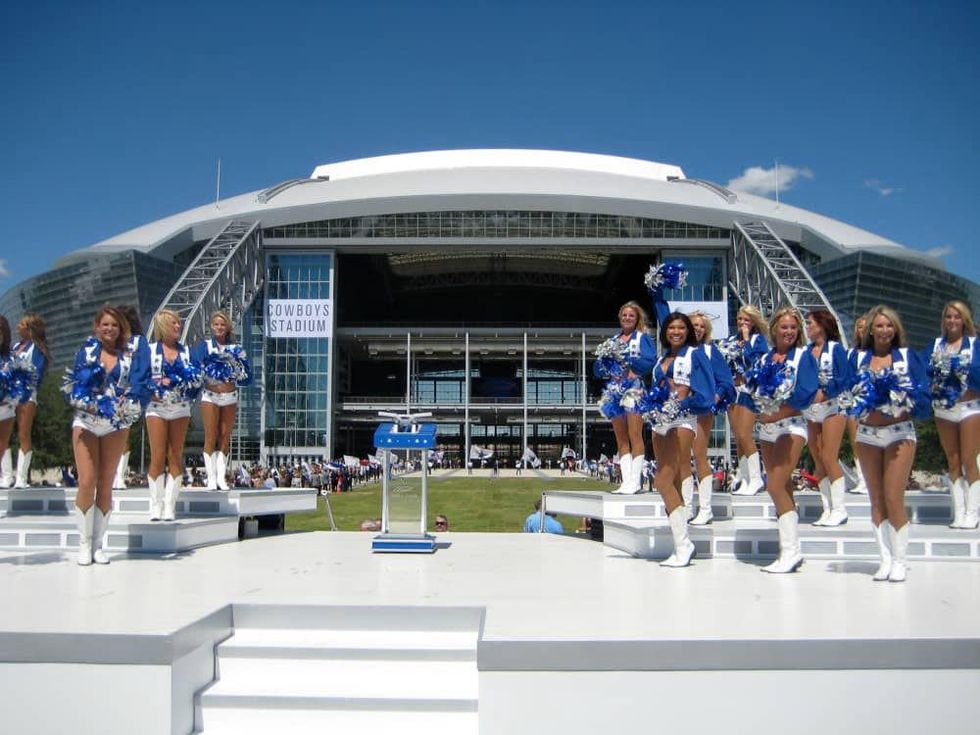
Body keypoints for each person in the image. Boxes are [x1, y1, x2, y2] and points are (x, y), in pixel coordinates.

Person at [845, 305, 930, 582]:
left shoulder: (907, 357)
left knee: (894, 496)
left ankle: (900, 560)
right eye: (879, 326)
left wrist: (904, 402)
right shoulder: (858, 359)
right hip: (868, 434)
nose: (884, 331)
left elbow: (923, 395)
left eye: (889, 325)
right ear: (870, 329)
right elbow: (848, 393)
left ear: (896, 329)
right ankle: (884, 559)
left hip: (899, 432)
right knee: (876, 499)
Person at [64, 307, 150, 565]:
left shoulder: (128, 355)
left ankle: (99, 545)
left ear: (121, 328)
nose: (109, 328)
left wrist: (131, 398)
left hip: (115, 423)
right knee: (87, 481)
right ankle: (83, 543)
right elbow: (75, 385)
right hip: (87, 421)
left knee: (105, 483)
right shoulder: (86, 351)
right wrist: (88, 402)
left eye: (114, 325)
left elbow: (137, 385)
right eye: (105, 324)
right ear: (97, 326)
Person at [748, 307, 818, 573]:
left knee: (774, 485)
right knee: (784, 487)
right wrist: (758, 411)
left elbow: (806, 393)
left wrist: (774, 412)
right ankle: (789, 550)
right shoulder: (765, 358)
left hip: (791, 426)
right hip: (767, 430)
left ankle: (791, 551)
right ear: (774, 329)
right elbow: (753, 391)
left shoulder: (803, 356)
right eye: (784, 327)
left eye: (793, 327)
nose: (789, 332)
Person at [645, 312, 714, 567]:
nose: (676, 331)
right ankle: (680, 545)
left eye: (681, 328)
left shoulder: (695, 355)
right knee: (671, 482)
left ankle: (685, 545)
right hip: (659, 423)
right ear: (665, 332)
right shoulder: (661, 359)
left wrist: (681, 403)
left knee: (661, 480)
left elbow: (706, 394)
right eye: (671, 327)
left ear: (688, 332)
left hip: (682, 421)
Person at [924, 301, 980, 529]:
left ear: (964, 320)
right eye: (948, 316)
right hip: (943, 409)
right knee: (953, 460)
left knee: (969, 458)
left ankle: (973, 512)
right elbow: (923, 373)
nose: (952, 321)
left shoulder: (975, 344)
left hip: (970, 408)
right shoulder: (935, 345)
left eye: (957, 317)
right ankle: (959, 511)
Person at [593, 301, 657, 495]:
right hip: (614, 390)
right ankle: (626, 481)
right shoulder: (612, 340)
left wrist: (632, 368)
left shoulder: (642, 338)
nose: (627, 318)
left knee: (635, 434)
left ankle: (636, 481)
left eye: (631, 315)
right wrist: (604, 366)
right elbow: (599, 367)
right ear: (620, 317)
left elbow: (650, 359)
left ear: (636, 318)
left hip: (634, 389)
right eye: (624, 315)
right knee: (620, 438)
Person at [147, 310, 202, 521]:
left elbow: (196, 380)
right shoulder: (150, 351)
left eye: (178, 324)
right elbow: (140, 377)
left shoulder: (187, 352)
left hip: (180, 408)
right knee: (157, 455)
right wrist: (153, 390)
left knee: (175, 453)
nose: (178, 327)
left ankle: (170, 506)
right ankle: (155, 505)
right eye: (174, 324)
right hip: (156, 407)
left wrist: (187, 392)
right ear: (162, 326)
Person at [192, 311, 251, 490]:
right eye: (216, 324)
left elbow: (248, 376)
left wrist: (238, 373)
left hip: (230, 396)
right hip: (210, 395)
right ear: (212, 326)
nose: (219, 327)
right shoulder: (204, 346)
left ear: (227, 328)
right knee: (211, 435)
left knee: (225, 436)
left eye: (222, 324)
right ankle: (211, 478)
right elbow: (194, 368)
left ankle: (221, 478)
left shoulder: (236, 348)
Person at [804, 310, 853, 526]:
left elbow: (844, 378)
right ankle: (827, 507)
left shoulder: (836, 349)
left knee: (828, 455)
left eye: (810, 323)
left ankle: (840, 508)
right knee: (818, 457)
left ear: (822, 325)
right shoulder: (805, 351)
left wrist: (824, 392)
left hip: (833, 406)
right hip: (811, 409)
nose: (807, 327)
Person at [688, 311, 735, 524]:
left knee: (699, 455)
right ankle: (687, 506)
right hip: (679, 410)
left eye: (701, 326)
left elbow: (726, 381)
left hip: (701, 410)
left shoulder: (709, 351)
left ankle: (705, 508)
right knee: (681, 459)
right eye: (693, 325)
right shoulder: (679, 351)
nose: (697, 328)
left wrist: (712, 399)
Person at [722, 305, 769, 495]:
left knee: (744, 434)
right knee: (738, 437)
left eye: (746, 320)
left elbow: (755, 362)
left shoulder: (758, 340)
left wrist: (748, 338)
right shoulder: (731, 340)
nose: (742, 323)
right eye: (740, 319)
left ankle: (757, 478)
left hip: (748, 390)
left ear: (753, 322)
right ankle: (745, 477)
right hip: (733, 390)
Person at [5, 314, 50, 488]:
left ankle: (21, 478)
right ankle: (7, 476)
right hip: (9, 395)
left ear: (30, 329)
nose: (17, 327)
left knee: (23, 434)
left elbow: (36, 374)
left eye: (21, 324)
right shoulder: (14, 347)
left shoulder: (37, 349)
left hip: (26, 395)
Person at [112, 305, 151, 489]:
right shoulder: (111, 342)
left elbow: (142, 368)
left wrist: (132, 392)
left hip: (129, 394)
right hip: (108, 394)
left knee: (122, 433)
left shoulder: (139, 342)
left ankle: (118, 476)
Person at [844, 315, 870, 495]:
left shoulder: (880, 353)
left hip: (871, 402)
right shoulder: (850, 354)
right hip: (853, 402)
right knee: (856, 441)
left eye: (865, 327)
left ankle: (872, 478)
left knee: (871, 440)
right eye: (859, 327)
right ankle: (862, 479)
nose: (862, 330)